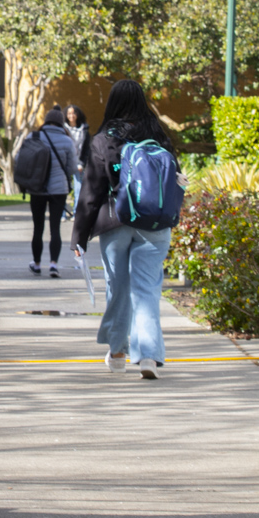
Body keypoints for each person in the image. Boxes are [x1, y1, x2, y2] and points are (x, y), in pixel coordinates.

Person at [72, 80, 174, 377]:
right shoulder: (158, 134)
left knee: (117, 289)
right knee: (147, 290)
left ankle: (117, 353)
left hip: (116, 222)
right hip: (155, 224)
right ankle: (148, 357)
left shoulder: (104, 139)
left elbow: (91, 193)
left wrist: (79, 237)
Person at [22, 107, 75, 277]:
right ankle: (53, 264)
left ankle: (37, 264)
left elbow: (20, 160)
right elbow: (72, 168)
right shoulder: (67, 141)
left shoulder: (33, 137)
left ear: (45, 121)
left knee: (38, 228)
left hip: (36, 188)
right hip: (59, 190)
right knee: (55, 228)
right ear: (61, 123)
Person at [61, 103, 90, 218]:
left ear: (78, 114)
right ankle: (62, 213)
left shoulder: (84, 129)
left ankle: (76, 213)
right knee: (63, 189)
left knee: (78, 190)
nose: (71, 115)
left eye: (73, 113)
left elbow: (87, 149)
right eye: (69, 113)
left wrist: (82, 163)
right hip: (64, 163)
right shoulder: (62, 129)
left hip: (79, 164)